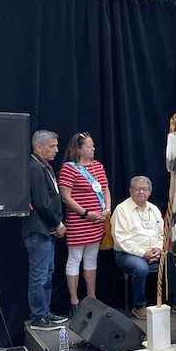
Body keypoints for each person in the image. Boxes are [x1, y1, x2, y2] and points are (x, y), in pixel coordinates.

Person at [58, 131, 111, 316]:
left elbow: (105, 190)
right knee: (75, 259)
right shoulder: (69, 168)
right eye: (88, 147)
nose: (93, 149)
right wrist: (85, 213)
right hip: (79, 222)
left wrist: (107, 210)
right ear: (78, 149)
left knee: (91, 259)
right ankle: (74, 300)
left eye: (93, 146)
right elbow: (65, 196)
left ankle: (92, 297)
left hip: (97, 221)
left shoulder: (98, 166)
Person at [23, 130, 68, 330]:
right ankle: (38, 316)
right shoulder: (34, 167)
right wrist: (57, 224)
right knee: (39, 275)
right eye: (52, 146)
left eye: (56, 146)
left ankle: (45, 312)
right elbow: (41, 202)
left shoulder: (45, 167)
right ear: (38, 147)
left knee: (48, 273)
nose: (56, 150)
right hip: (38, 230)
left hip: (46, 229)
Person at [111, 176, 165, 320]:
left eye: (145, 189)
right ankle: (139, 305)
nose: (141, 192)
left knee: (175, 261)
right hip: (127, 255)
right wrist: (143, 253)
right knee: (141, 268)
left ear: (150, 191)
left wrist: (159, 248)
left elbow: (162, 234)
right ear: (130, 190)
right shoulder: (121, 210)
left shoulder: (154, 209)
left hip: (155, 252)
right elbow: (121, 239)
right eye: (137, 188)